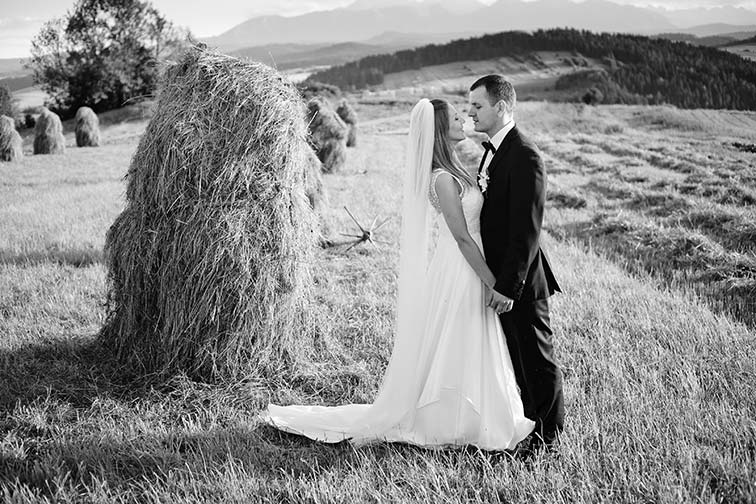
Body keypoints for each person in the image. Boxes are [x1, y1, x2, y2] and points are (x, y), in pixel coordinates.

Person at [260, 98, 533, 450]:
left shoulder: (459, 169)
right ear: (437, 129)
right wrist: (492, 282)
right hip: (461, 267)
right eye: (453, 117)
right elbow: (463, 239)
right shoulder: (442, 180)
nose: (462, 119)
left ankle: (478, 416)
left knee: (470, 338)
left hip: (469, 262)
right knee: (461, 337)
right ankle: (453, 419)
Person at [468, 75, 564, 451]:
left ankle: (549, 440)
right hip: (501, 279)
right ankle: (528, 429)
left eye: (478, 105)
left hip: (520, 282)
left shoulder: (525, 155)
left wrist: (508, 286)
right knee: (517, 361)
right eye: (470, 105)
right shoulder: (494, 150)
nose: (470, 112)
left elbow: (527, 230)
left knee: (538, 362)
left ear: (502, 106)